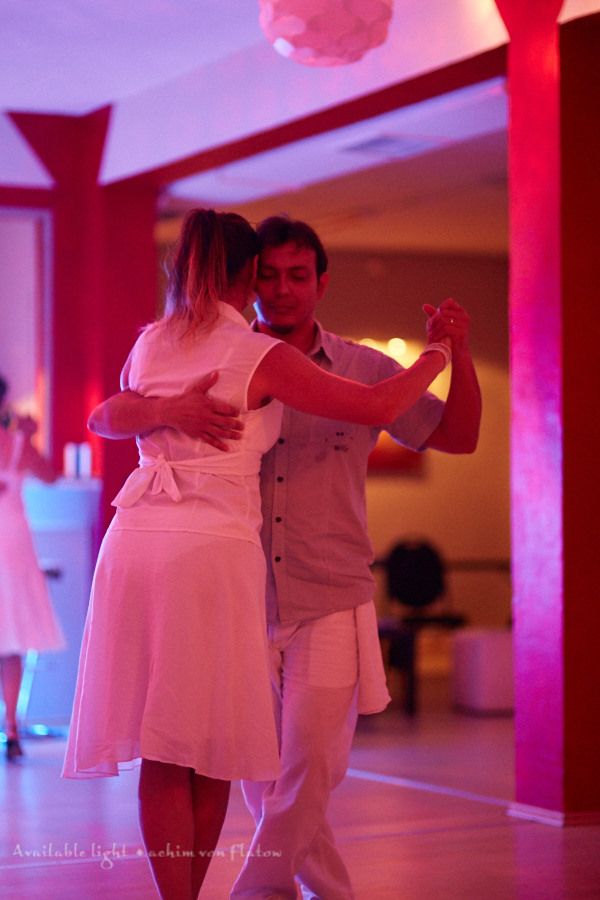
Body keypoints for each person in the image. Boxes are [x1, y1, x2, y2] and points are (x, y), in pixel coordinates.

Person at [65, 209, 453, 900]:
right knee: (211, 742)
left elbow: (103, 416)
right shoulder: (253, 352)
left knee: (162, 744)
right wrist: (437, 354)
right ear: (247, 274)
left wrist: (164, 411)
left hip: (132, 544)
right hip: (207, 553)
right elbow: (376, 406)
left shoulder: (152, 343)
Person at [0, 375, 64, 761]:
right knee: (12, 637)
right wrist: (30, 436)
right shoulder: (17, 445)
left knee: (10, 635)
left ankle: (11, 726)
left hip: (11, 545)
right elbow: (51, 476)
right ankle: (11, 727)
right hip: (13, 543)